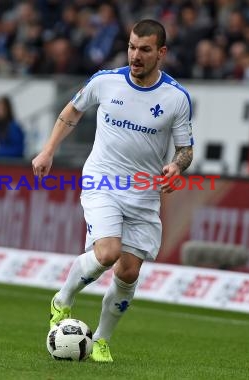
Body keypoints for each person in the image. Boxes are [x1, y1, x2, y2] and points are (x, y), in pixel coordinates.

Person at [32, 19, 194, 362]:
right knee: (107, 253)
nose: (135, 55)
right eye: (132, 47)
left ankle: (101, 340)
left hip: (144, 192)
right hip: (102, 181)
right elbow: (72, 111)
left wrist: (176, 166)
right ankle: (62, 299)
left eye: (145, 50)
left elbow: (185, 148)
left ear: (161, 53)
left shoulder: (176, 98)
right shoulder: (105, 81)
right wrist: (48, 150)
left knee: (128, 271)